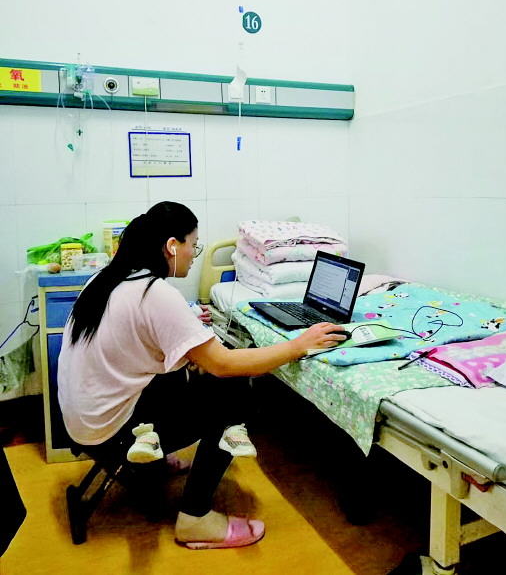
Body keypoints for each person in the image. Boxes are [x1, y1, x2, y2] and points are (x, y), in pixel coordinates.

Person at [57, 201, 347, 550]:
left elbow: (134, 341)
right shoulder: (154, 293)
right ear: (171, 246)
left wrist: (188, 326)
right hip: (110, 433)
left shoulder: (107, 278)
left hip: (80, 422)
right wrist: (300, 345)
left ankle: (155, 462)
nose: (194, 255)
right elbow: (223, 364)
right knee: (235, 392)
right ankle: (195, 519)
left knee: (187, 374)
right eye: (193, 245)